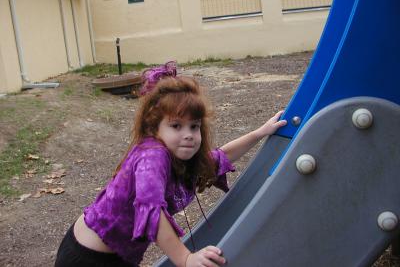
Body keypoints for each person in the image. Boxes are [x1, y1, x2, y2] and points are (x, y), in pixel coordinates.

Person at [55, 62, 287, 267]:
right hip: (87, 258)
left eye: (194, 126)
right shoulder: (151, 156)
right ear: (154, 127)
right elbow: (151, 209)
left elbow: (218, 157)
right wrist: (185, 259)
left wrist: (260, 133)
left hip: (118, 257)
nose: (188, 135)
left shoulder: (179, 155)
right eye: (176, 126)